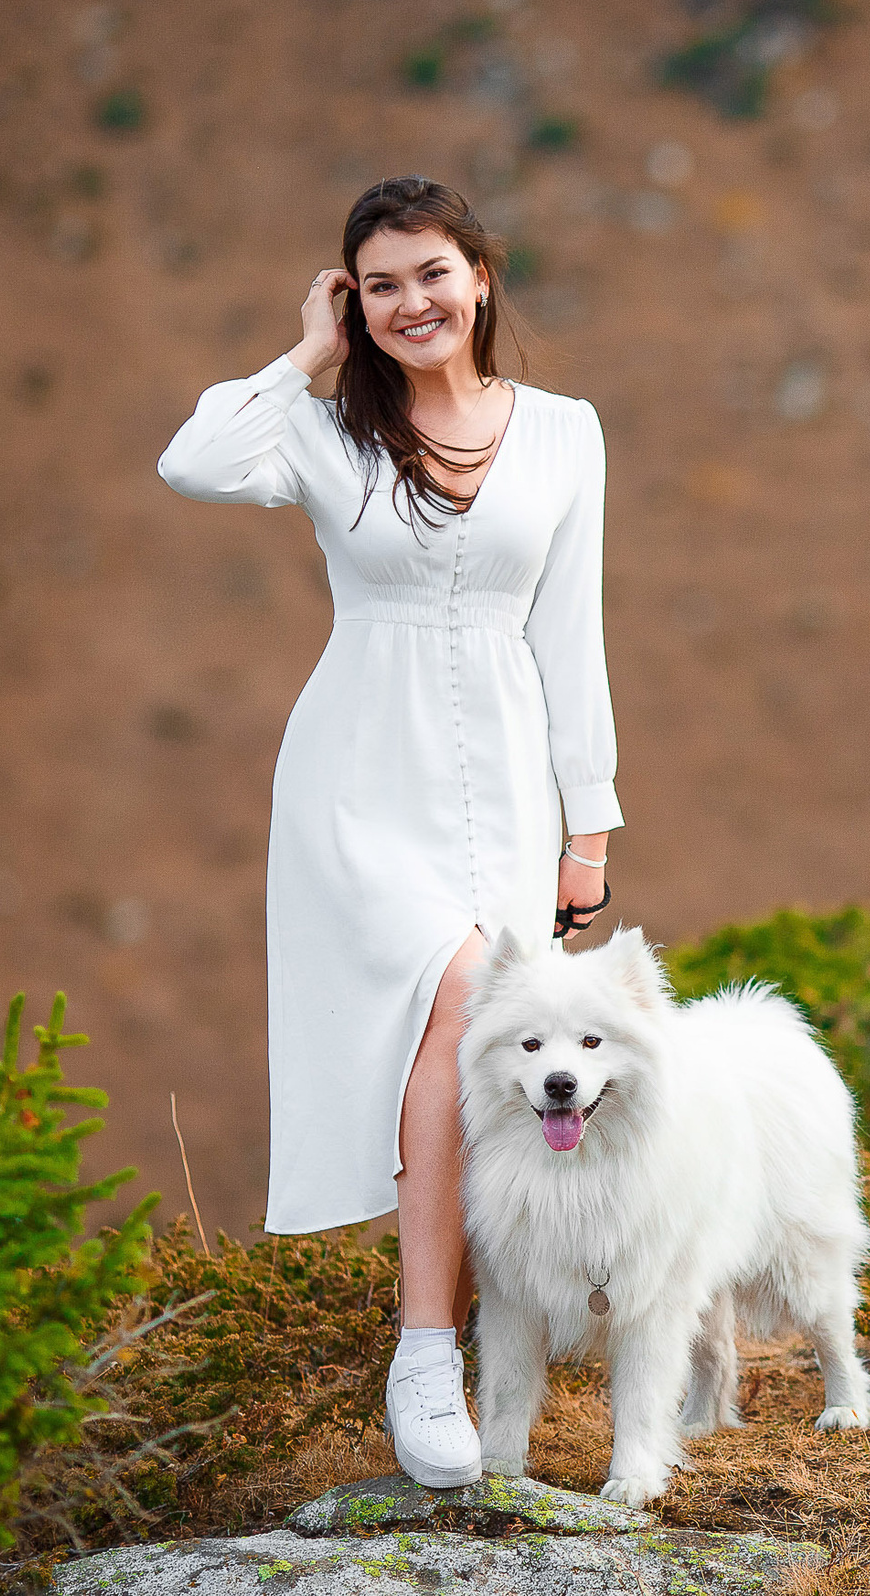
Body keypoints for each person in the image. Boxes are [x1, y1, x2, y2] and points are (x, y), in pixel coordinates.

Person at [155, 176, 619, 1486]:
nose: (410, 302)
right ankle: (426, 1356)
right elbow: (191, 462)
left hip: (515, 787)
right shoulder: (321, 431)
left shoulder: (566, 434)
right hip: (361, 776)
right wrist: (303, 354)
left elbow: (571, 637)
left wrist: (592, 825)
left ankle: (483, 1333)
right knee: (466, 1000)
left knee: (481, 1045)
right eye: (378, 284)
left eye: (430, 273)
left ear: (479, 276)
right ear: (352, 302)